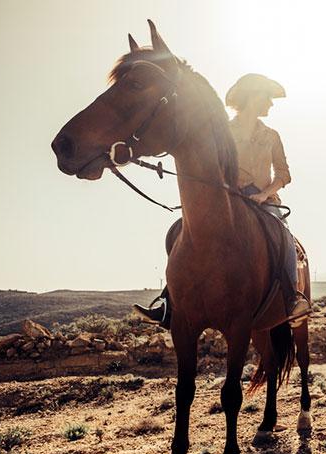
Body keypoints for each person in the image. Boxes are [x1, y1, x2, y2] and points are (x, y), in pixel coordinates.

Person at [132, 73, 310, 326]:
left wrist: (263, 193)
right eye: (267, 98)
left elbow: (284, 174)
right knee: (180, 231)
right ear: (253, 97)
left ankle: (291, 299)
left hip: (264, 201)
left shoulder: (272, 136)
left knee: (284, 235)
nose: (270, 104)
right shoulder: (222, 131)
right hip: (228, 198)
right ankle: (169, 302)